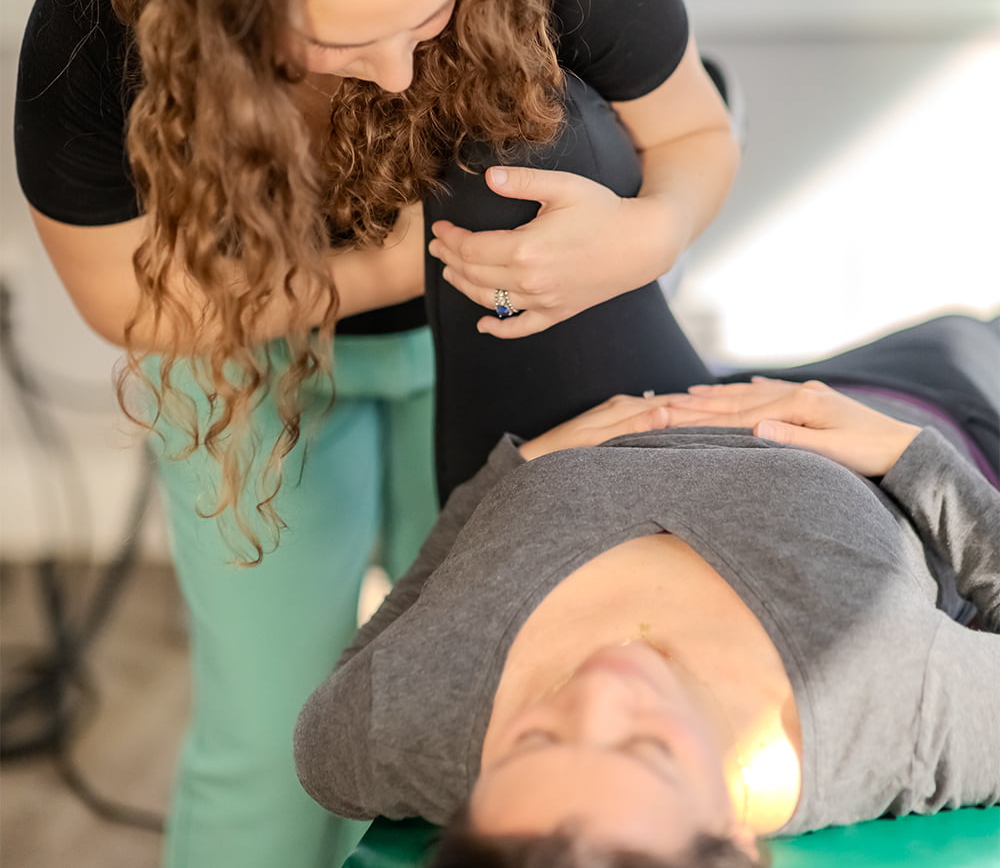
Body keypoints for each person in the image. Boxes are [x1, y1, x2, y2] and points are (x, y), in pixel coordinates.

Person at [13, 0, 737, 866]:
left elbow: (698, 137)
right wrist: (388, 272)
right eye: (337, 40)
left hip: (491, 335)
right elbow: (121, 297)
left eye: (428, 19)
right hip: (248, 355)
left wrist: (649, 233)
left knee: (485, 700)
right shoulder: (104, 21)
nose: (398, 75)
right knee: (272, 740)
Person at [294, 311, 999, 867]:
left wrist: (501, 478)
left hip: (612, 399)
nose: (601, 687)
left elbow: (356, 675)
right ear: (733, 837)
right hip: (927, 398)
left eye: (536, 739)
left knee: (507, 169)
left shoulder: (394, 731)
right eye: (646, 748)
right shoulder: (884, 708)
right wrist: (914, 458)